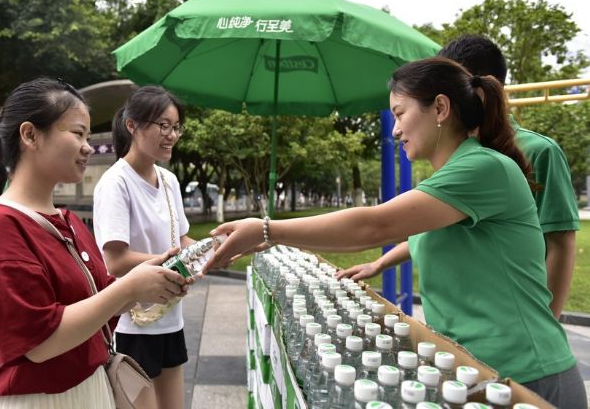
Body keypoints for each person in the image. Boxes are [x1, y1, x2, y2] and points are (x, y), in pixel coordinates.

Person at [205, 57, 586, 408]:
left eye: (400, 114)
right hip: (474, 372)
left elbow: (375, 224)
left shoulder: (483, 168)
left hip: (526, 377)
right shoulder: (455, 176)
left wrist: (267, 229)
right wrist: (378, 264)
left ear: (439, 108)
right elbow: (412, 237)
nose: (396, 130)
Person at [0, 77, 189, 407]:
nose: (88, 146)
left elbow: (103, 304)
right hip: (41, 399)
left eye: (88, 136)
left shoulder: (68, 222)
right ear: (30, 135)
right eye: (77, 134)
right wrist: (130, 288)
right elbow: (39, 342)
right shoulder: (0, 227)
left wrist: (157, 281)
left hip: (90, 389)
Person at [438, 34, 579, 319]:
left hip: (518, 323)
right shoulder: (454, 152)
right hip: (467, 320)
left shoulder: (540, 152)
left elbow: (560, 243)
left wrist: (545, 320)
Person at [93, 86, 193, 409]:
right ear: (132, 125)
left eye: (176, 126)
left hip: (170, 317)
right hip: (132, 324)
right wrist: (166, 263)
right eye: (163, 125)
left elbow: (182, 241)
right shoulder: (115, 183)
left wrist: (214, 249)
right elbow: (115, 260)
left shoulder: (169, 181)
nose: (172, 135)